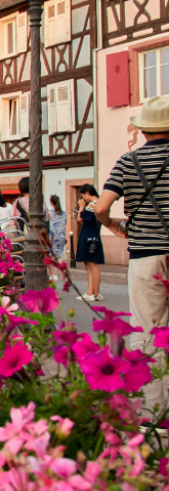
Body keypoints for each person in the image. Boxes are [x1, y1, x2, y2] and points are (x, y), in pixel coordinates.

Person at [95, 95, 169, 419]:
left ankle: (155, 413)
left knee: (147, 332)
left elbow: (100, 208)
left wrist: (113, 224)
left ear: (143, 130)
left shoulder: (128, 162)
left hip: (146, 257)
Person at [75, 185, 104, 300]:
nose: (83, 199)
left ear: (87, 193)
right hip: (94, 236)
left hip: (88, 237)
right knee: (90, 266)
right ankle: (90, 292)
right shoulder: (100, 203)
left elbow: (80, 219)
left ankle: (94, 293)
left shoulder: (92, 205)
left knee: (92, 265)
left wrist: (81, 207)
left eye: (83, 196)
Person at [48, 194, 67, 280]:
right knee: (57, 256)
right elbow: (65, 223)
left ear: (51, 202)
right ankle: (55, 275)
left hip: (53, 236)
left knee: (52, 257)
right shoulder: (63, 213)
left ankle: (55, 274)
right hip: (61, 236)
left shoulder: (50, 213)